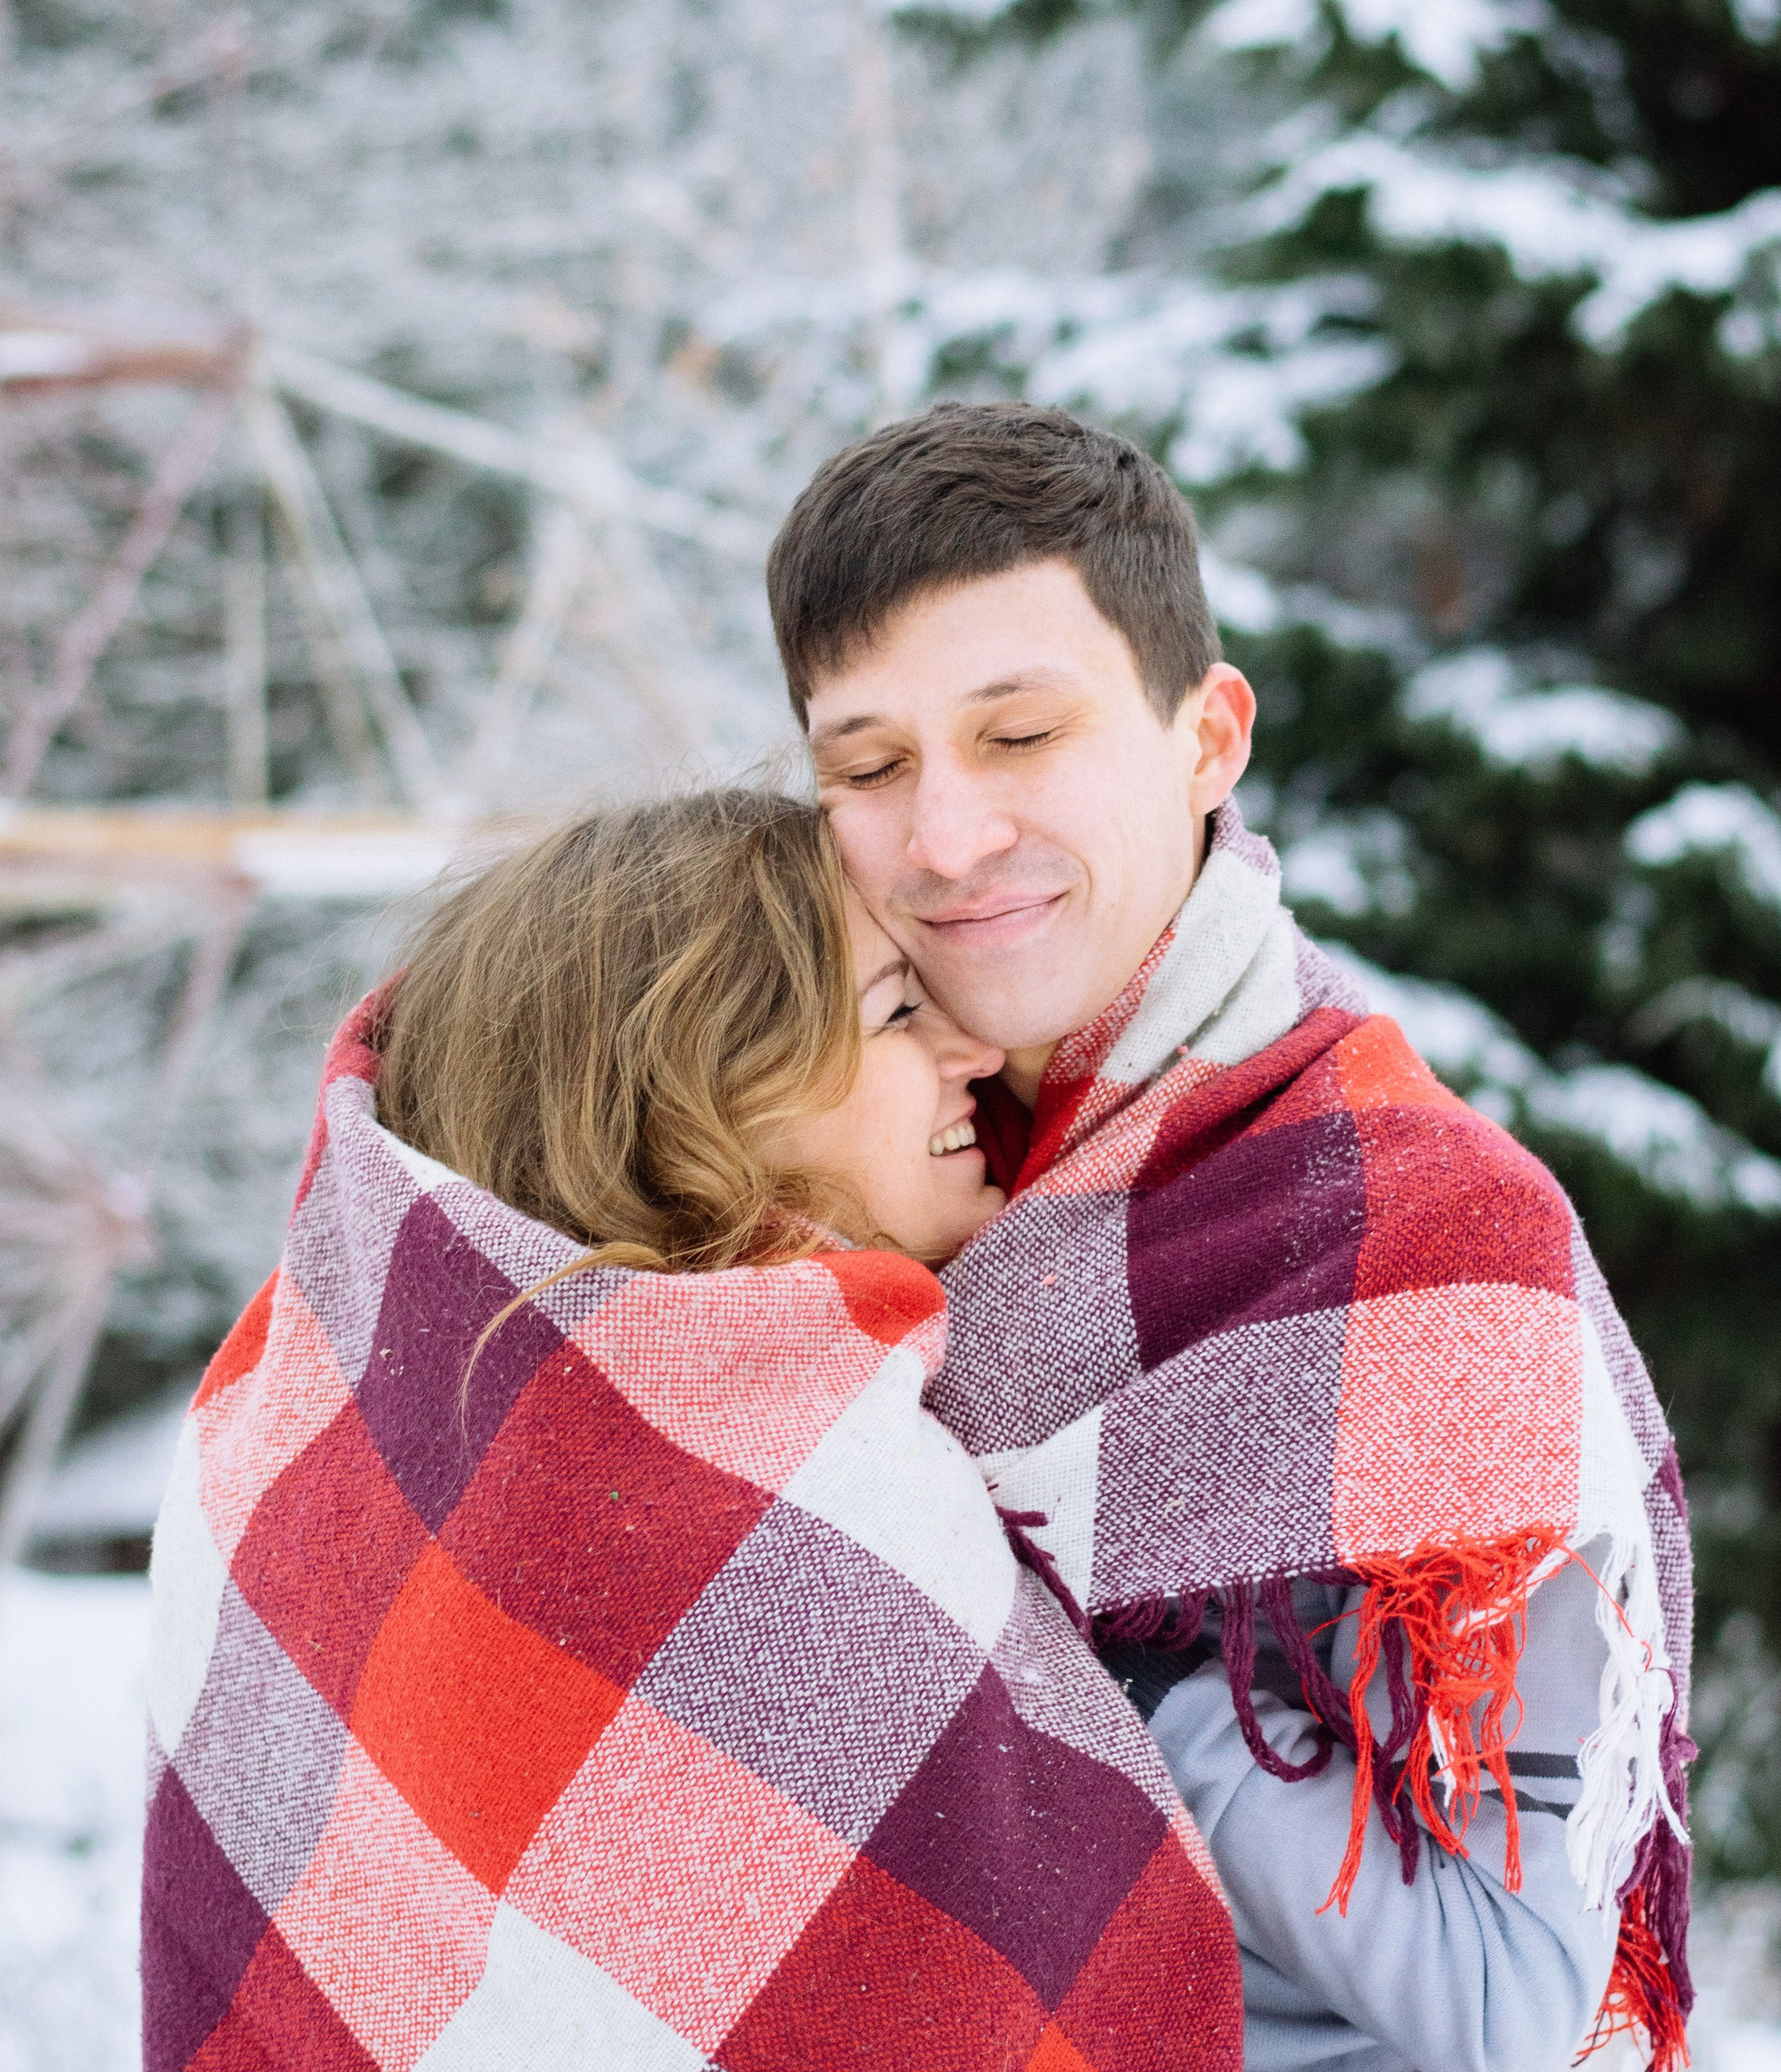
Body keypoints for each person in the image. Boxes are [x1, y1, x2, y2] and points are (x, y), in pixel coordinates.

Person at [767, 403, 1698, 2072]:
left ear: (1207, 740)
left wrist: (1066, 1651)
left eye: (1019, 734)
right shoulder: (814, 1168)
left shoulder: (1421, 1233)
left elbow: (1507, 2000)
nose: (944, 838)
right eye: (869, 767)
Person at [139, 792, 1241, 2072]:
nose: (976, 1052)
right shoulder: (774, 1503)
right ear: (696, 1092)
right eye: (898, 1010)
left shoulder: (318, 1445)